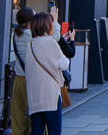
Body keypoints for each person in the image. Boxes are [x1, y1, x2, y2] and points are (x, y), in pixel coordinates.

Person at [26, 13, 69, 135]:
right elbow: (64, 64)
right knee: (54, 131)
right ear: (46, 26)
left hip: (34, 97)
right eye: (52, 23)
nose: (53, 26)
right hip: (50, 96)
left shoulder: (30, 45)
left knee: (37, 132)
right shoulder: (51, 43)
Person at [11, 7, 34, 135]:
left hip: (18, 80)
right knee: (35, 120)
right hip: (31, 82)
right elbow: (53, 38)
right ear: (30, 21)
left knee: (18, 120)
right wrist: (56, 23)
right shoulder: (32, 35)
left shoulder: (16, 35)